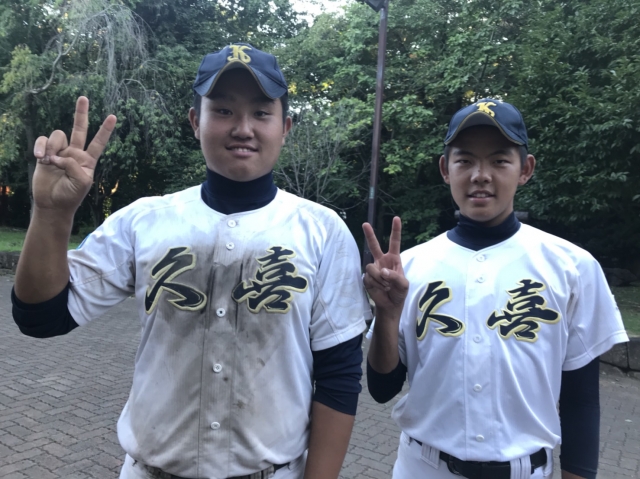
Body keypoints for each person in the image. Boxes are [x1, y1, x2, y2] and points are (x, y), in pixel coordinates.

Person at [12, 43, 372, 479]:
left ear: (286, 127)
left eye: (261, 113)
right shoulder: (145, 220)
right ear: (194, 121)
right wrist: (52, 214)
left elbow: (338, 373)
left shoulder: (322, 230)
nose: (243, 128)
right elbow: (41, 316)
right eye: (223, 110)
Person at [363, 99, 629, 479]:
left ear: (525, 169)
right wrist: (387, 316)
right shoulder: (412, 267)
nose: (480, 175)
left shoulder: (572, 266)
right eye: (465, 160)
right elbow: (382, 388)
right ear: (446, 169)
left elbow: (581, 400)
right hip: (423, 467)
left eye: (500, 160)